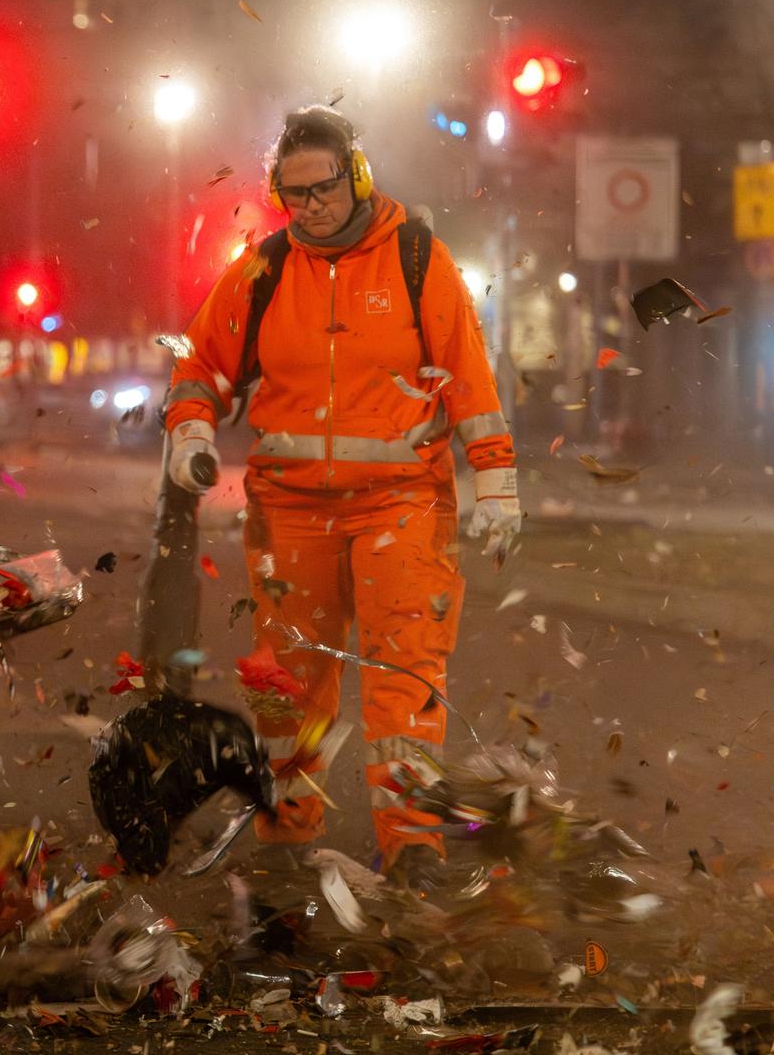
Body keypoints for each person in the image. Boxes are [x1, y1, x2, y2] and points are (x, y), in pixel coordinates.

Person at [165, 105, 520, 881]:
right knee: (288, 684)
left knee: (405, 677)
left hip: (403, 501)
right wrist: (191, 428)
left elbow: (469, 376)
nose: (309, 208)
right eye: (293, 196)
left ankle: (413, 845)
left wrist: (495, 475)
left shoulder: (418, 259)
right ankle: (288, 833)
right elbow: (200, 366)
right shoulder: (261, 272)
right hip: (291, 508)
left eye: (322, 190)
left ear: (355, 177)